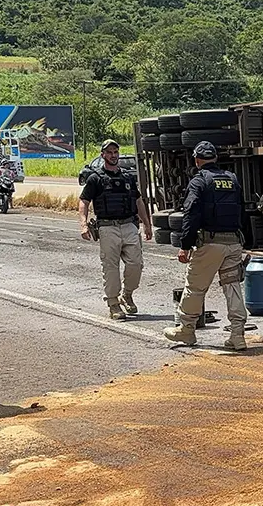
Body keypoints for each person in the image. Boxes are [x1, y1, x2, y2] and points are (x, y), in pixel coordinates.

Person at [163, 141, 249, 350]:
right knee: (232, 286)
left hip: (210, 244)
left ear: (197, 160)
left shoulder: (199, 181)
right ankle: (237, 335)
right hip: (233, 242)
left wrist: (185, 245)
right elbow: (242, 210)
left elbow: (191, 214)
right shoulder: (232, 179)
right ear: (215, 159)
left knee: (194, 287)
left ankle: (186, 329)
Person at [79, 139, 151, 320]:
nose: (113, 155)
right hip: (107, 227)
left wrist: (147, 224)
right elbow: (84, 201)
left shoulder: (127, 177)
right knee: (111, 268)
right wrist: (83, 223)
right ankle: (113, 303)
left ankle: (127, 294)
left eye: (115, 152)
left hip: (128, 225)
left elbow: (138, 201)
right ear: (103, 155)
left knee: (136, 264)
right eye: (109, 152)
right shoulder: (95, 178)